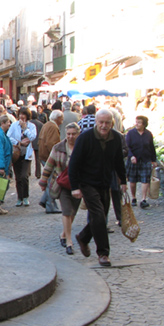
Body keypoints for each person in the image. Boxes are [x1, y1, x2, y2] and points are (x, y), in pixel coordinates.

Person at [68, 109, 127, 267]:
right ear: (96, 122)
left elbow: (118, 161)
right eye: (101, 122)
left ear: (111, 123)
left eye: (107, 123)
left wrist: (123, 181)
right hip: (87, 183)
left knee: (99, 216)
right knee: (99, 216)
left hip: (105, 182)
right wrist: (75, 187)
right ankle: (103, 253)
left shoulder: (116, 138)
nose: (104, 125)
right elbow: (74, 163)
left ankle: (84, 237)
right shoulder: (85, 138)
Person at [39, 123, 82, 255]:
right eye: (68, 134)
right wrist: (43, 181)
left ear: (78, 134)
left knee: (73, 211)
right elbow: (49, 165)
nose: (70, 136)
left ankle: (63, 234)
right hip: (62, 184)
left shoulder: (82, 147)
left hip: (78, 185)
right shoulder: (58, 148)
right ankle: (69, 241)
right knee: (66, 211)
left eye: (73, 134)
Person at [7, 107, 37, 207]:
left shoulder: (31, 126)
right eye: (20, 114)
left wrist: (25, 129)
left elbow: (32, 137)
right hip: (17, 154)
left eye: (23, 114)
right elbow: (8, 136)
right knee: (18, 177)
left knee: (24, 176)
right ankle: (19, 197)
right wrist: (18, 143)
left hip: (27, 154)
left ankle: (26, 196)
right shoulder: (14, 125)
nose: (21, 116)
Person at [125, 115, 156, 209]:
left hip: (145, 159)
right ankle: (134, 197)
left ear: (144, 124)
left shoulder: (148, 134)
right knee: (133, 180)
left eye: (139, 122)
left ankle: (143, 199)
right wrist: (131, 156)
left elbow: (151, 147)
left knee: (145, 179)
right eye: (136, 122)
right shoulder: (130, 133)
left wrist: (154, 160)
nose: (137, 124)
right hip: (134, 160)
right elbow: (127, 146)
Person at [38, 109, 64, 214]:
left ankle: (45, 200)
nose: (62, 121)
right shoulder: (53, 127)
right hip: (48, 157)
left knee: (50, 180)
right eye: (61, 119)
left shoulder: (47, 125)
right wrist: (55, 158)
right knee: (51, 181)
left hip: (43, 155)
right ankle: (50, 205)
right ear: (58, 118)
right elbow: (52, 144)